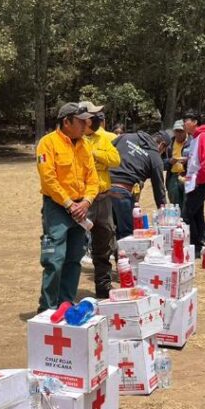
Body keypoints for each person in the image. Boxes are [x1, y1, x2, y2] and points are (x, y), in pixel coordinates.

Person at [36, 102, 98, 312]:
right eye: (81, 121)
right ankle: (47, 308)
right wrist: (70, 203)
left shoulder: (85, 145)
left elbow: (93, 179)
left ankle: (66, 303)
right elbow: (49, 179)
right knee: (54, 259)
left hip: (80, 208)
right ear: (66, 122)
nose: (85, 125)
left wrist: (86, 201)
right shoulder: (48, 143)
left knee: (74, 258)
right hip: (57, 208)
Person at [82, 103, 120, 297]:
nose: (99, 118)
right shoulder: (74, 140)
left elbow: (115, 159)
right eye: (95, 115)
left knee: (104, 244)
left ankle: (103, 288)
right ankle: (65, 294)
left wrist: (95, 154)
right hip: (83, 201)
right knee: (75, 246)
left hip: (103, 198)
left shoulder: (103, 138)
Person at [108, 130, 169, 238]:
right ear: (162, 145)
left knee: (105, 233)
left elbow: (106, 150)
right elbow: (159, 189)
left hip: (103, 190)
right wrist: (164, 214)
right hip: (123, 194)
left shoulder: (126, 137)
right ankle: (123, 255)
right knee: (127, 235)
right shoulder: (155, 156)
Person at [182, 111, 205, 255]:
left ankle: (194, 246)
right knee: (197, 213)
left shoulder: (203, 137)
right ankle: (202, 243)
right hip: (194, 182)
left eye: (186, 120)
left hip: (200, 183)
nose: (184, 123)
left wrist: (200, 180)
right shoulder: (195, 138)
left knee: (186, 215)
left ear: (195, 122)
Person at [164, 119, 189, 208]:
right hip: (173, 177)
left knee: (188, 205)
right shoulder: (168, 145)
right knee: (176, 207)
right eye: (176, 131)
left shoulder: (192, 142)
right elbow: (160, 163)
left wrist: (187, 161)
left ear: (186, 130)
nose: (178, 134)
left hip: (187, 176)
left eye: (181, 131)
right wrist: (169, 161)